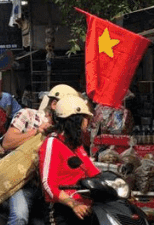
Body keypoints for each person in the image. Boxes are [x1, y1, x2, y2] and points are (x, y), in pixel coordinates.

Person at [2, 84, 78, 225]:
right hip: (23, 184)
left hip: (50, 188)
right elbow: (7, 143)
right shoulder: (28, 115)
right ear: (54, 105)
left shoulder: (65, 129)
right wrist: (37, 132)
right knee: (20, 216)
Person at [39, 95, 100, 225]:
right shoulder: (52, 143)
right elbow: (48, 185)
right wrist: (73, 204)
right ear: (74, 119)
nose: (87, 121)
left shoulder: (76, 145)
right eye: (85, 117)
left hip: (84, 207)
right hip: (61, 209)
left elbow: (92, 171)